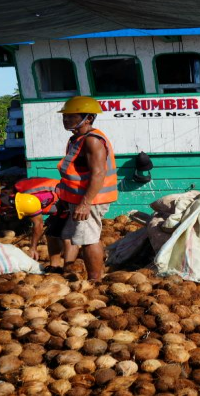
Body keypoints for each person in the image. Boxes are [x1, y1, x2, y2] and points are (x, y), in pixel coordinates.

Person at [52, 96, 118, 281]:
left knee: (89, 240)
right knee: (79, 237)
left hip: (91, 199)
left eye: (71, 116)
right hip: (79, 198)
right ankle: (90, 276)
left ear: (88, 118)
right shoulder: (77, 138)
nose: (66, 120)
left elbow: (98, 174)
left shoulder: (92, 140)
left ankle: (95, 281)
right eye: (65, 116)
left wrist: (85, 203)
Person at [9, 177, 60, 261]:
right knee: (51, 233)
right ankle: (55, 266)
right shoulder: (20, 187)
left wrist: (33, 247)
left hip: (68, 200)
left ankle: (67, 268)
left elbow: (38, 224)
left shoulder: (29, 200)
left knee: (67, 237)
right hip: (59, 194)